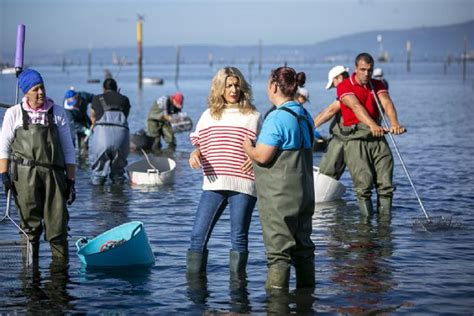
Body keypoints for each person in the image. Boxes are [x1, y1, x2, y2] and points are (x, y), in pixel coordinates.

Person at [243, 66, 315, 291]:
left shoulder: (276, 118)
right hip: (305, 194)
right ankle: (306, 301)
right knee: (303, 248)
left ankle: (276, 305)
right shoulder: (304, 114)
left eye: (267, 84)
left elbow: (263, 157)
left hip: (280, 198)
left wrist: (248, 148)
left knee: (278, 255)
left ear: (274, 86)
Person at [187, 67, 261, 277]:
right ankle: (195, 292)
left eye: (237, 85)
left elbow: (264, 147)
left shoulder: (253, 116)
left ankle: (238, 293)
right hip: (213, 183)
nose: (233, 89)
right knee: (197, 236)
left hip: (244, 184)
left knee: (238, 237)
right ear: (220, 88)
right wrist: (195, 154)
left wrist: (253, 156)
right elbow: (200, 144)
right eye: (228, 85)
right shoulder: (208, 115)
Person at [0, 69, 76, 263]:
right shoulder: (14, 114)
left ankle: (59, 280)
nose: (41, 93)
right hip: (24, 178)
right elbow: (3, 149)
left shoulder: (57, 112)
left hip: (54, 178)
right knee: (29, 230)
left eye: (42, 87)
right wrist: (4, 176)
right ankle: (30, 279)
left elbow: (68, 151)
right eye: (35, 89)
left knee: (58, 228)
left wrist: (71, 181)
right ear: (26, 92)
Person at [336, 53, 405, 216]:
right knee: (364, 186)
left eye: (370, 70)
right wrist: (372, 124)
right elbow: (355, 106)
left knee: (386, 185)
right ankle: (366, 228)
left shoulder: (378, 84)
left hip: (377, 138)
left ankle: (385, 226)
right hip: (356, 140)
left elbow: (386, 102)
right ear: (355, 68)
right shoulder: (344, 86)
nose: (366, 74)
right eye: (363, 70)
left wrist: (394, 123)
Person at [89, 78, 131, 185]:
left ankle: (98, 198)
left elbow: (93, 117)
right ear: (116, 88)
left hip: (102, 137)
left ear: (103, 88)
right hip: (121, 138)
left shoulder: (96, 98)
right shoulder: (125, 99)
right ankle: (119, 198)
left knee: (98, 174)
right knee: (118, 174)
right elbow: (125, 117)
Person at [313, 65, 350, 180]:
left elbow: (330, 111)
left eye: (333, 83)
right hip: (348, 139)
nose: (334, 86)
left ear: (339, 77)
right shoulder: (353, 88)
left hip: (342, 139)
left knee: (327, 173)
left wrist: (310, 126)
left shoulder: (346, 90)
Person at [63, 88, 94, 155]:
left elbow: (95, 99)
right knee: (71, 146)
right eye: (71, 104)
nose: (73, 105)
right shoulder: (67, 108)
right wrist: (84, 130)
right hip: (71, 125)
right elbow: (72, 123)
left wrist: (96, 108)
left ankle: (83, 162)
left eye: (74, 103)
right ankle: (72, 161)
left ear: (77, 97)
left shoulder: (84, 96)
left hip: (83, 120)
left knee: (84, 148)